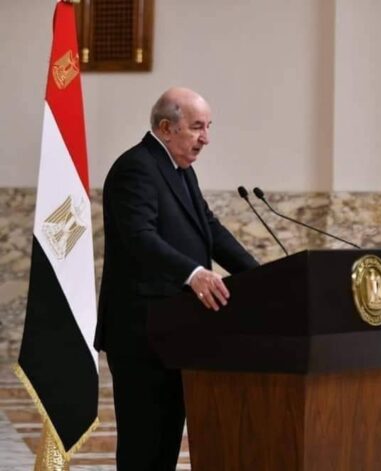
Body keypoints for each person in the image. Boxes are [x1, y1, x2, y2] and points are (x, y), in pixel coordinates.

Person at [95, 87, 259, 470]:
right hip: (142, 334)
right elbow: (140, 238)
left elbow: (210, 229)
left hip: (175, 331)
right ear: (166, 128)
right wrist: (193, 273)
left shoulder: (180, 170)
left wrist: (260, 275)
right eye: (198, 127)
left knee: (164, 446)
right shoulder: (136, 168)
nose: (206, 138)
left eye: (208, 127)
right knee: (144, 449)